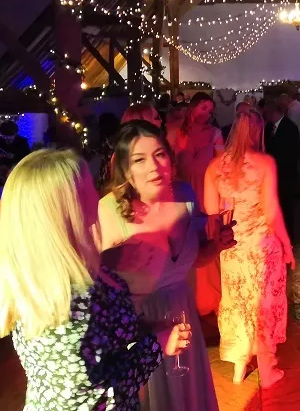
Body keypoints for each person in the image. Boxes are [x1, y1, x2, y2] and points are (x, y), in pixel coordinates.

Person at [0, 149, 191, 410]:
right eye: (86, 189)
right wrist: (156, 345)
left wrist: (143, 328)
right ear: (66, 209)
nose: (96, 194)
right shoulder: (66, 299)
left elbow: (100, 342)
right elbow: (94, 398)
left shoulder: (60, 272)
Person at [99, 121, 231, 411]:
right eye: (139, 159)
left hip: (184, 317)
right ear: (125, 169)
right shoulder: (109, 210)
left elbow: (193, 260)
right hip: (140, 329)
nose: (153, 166)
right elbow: (98, 291)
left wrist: (216, 246)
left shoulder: (185, 196)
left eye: (159, 154)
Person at [203, 108, 293, 387]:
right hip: (262, 247)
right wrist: (288, 245)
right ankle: (267, 368)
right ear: (257, 131)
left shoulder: (215, 167)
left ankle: (239, 366)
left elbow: (211, 209)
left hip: (232, 247)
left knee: (239, 302)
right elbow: (272, 209)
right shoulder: (265, 163)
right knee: (264, 303)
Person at [173, 92, 225, 214]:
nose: (207, 113)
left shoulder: (215, 134)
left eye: (210, 111)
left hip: (205, 192)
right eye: (204, 108)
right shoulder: (177, 132)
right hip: (182, 192)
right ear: (192, 107)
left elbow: (221, 167)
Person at [263, 100, 300, 240]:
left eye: (267, 112)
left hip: (285, 175)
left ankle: (288, 238)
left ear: (275, 112)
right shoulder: (268, 128)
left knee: (286, 207)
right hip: (271, 175)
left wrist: (277, 164)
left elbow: (293, 153)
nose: (265, 115)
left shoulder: (290, 127)